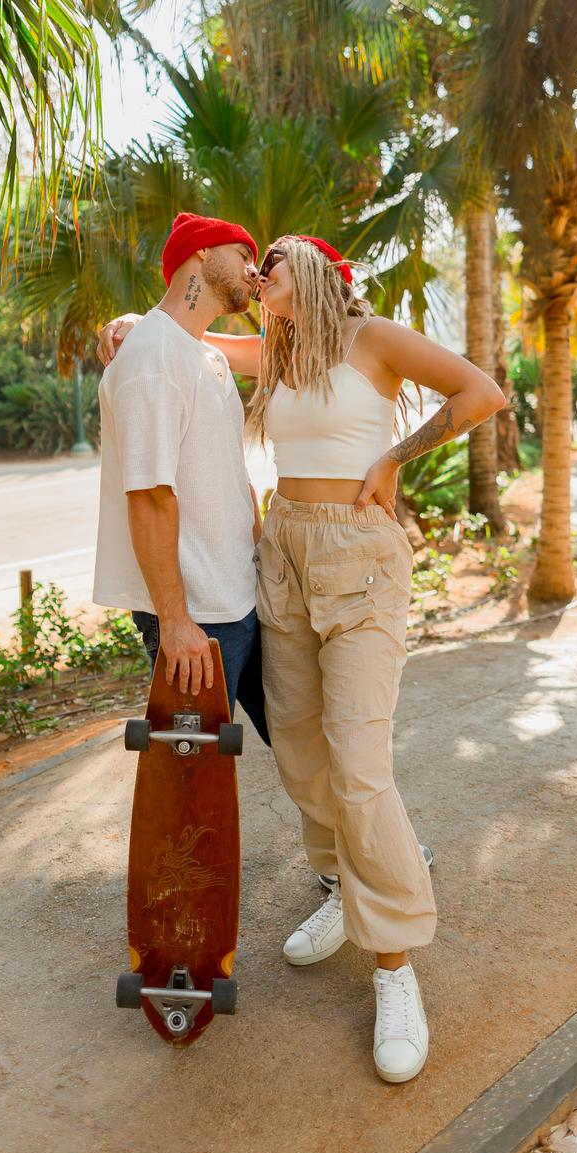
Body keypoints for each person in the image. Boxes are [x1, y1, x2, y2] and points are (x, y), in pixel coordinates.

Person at [100, 233, 505, 1085]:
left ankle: (394, 965)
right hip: (281, 554)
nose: (258, 274)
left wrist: (395, 458)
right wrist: (129, 319)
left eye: (270, 261)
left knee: (359, 765)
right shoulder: (276, 348)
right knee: (304, 756)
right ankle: (339, 882)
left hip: (358, 556)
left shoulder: (375, 338)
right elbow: (185, 336)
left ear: (311, 269)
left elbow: (481, 392)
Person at [92, 211, 270, 744]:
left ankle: (363, 832)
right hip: (196, 619)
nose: (255, 273)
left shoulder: (205, 354)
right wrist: (174, 622)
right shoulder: (151, 357)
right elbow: (149, 495)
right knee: (191, 790)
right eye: (244, 256)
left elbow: (227, 476)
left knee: (304, 746)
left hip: (240, 595)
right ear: (200, 254)